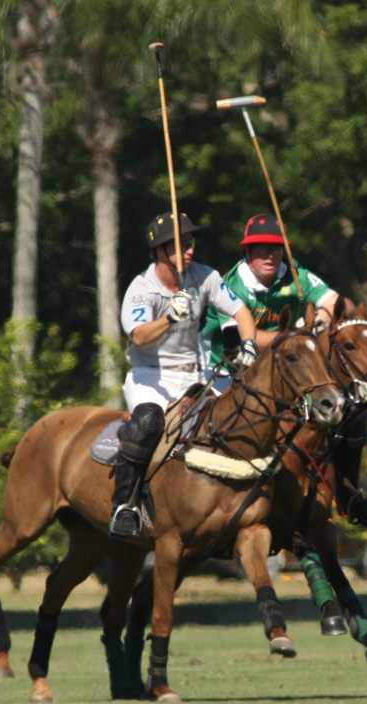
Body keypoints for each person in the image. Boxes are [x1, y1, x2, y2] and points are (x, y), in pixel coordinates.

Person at [200, 213, 367, 529]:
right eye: (261, 248)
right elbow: (243, 339)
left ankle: (348, 493)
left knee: (350, 410)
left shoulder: (295, 274)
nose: (270, 255)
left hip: (287, 371)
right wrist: (297, 337)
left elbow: (339, 302)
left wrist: (319, 322)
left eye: (275, 248)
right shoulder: (232, 284)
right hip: (229, 370)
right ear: (247, 252)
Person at [108, 210, 257, 539]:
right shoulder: (141, 289)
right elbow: (139, 337)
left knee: (244, 411)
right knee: (148, 424)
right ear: (159, 251)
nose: (189, 250)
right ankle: (125, 506)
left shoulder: (205, 276)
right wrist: (169, 318)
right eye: (180, 245)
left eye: (190, 243)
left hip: (196, 372)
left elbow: (241, 311)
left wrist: (249, 344)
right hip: (151, 375)